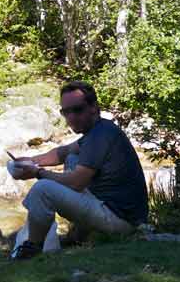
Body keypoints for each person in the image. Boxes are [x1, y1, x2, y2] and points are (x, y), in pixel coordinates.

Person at [9, 81, 148, 259]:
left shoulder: (100, 136)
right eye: (66, 112)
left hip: (122, 221)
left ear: (93, 107)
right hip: (117, 210)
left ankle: (33, 249)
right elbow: (63, 152)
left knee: (42, 190)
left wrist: (37, 172)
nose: (71, 117)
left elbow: (77, 183)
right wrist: (29, 161)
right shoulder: (99, 129)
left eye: (77, 110)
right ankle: (79, 235)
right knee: (72, 159)